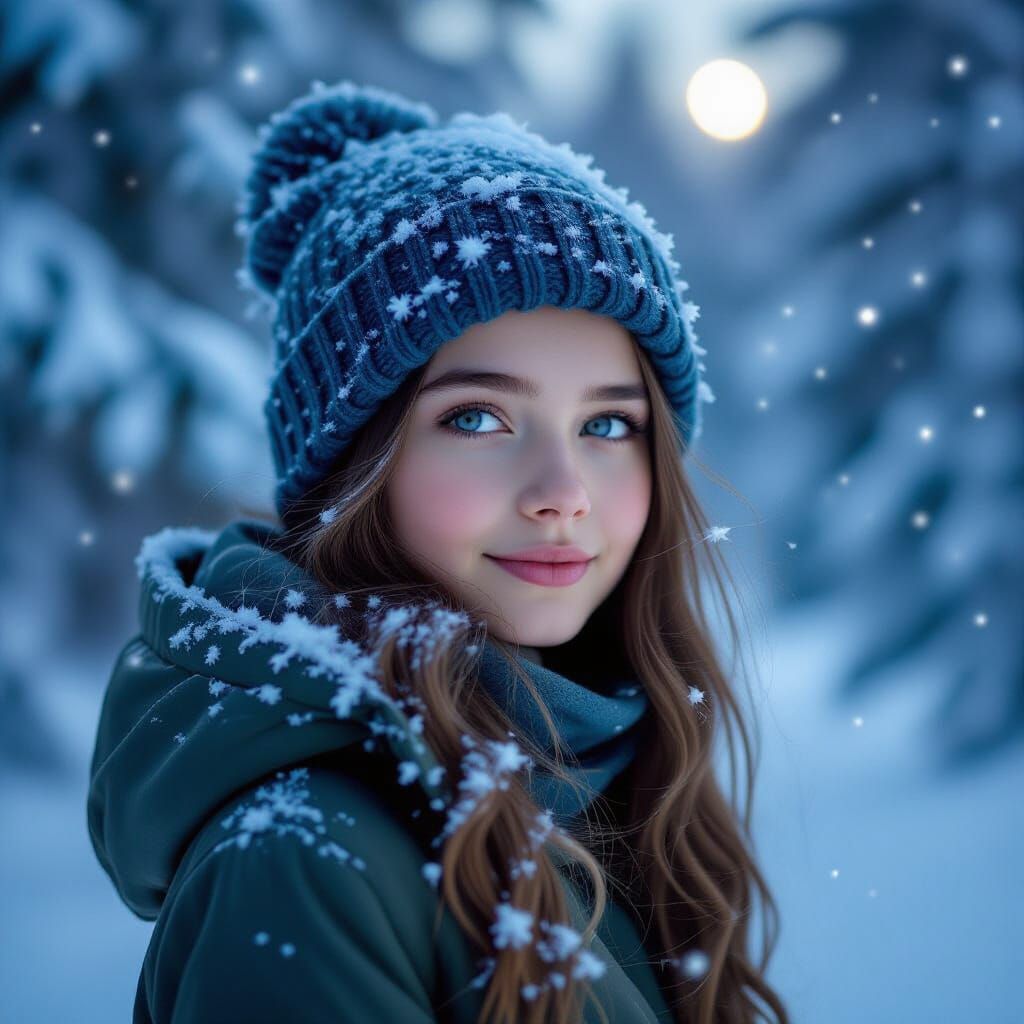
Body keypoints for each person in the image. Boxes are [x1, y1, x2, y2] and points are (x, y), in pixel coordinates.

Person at [87, 79, 790, 1024]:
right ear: (351, 462)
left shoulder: (596, 778)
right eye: (477, 416)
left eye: (609, 426)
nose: (562, 492)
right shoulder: (303, 862)